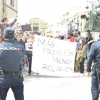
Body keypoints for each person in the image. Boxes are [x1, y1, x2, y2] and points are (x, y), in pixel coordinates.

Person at [0, 27, 25, 100]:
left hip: (3, 79)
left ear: (3, 36)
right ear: (14, 36)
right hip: (17, 78)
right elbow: (22, 58)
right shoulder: (21, 47)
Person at [87, 34, 100, 100]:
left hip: (97, 69)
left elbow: (89, 58)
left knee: (95, 86)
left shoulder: (95, 45)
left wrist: (88, 70)